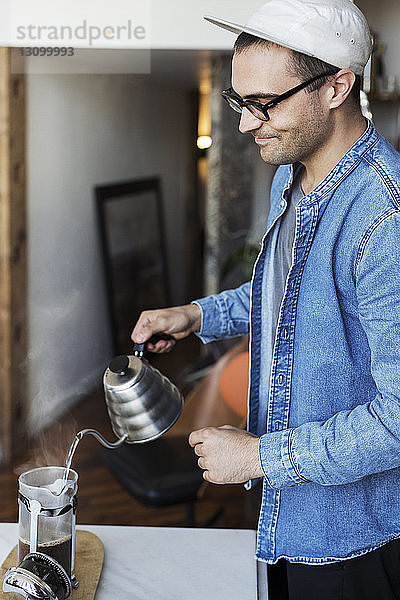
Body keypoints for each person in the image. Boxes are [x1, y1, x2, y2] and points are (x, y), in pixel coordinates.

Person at [132, 0, 400, 597]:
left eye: (265, 103)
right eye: (239, 101)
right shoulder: (292, 175)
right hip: (287, 517)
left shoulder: (386, 217)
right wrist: (198, 314)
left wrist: (258, 459)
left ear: (336, 86)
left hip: (354, 537)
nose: (248, 123)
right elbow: (287, 298)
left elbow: (398, 420)